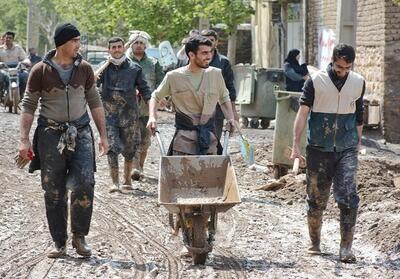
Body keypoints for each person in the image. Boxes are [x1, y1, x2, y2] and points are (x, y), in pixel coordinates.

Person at [18, 23, 108, 258]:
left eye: (79, 40)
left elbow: (95, 102)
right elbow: (28, 105)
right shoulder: (40, 70)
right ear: (62, 43)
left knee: (85, 182)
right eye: (75, 41)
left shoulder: (85, 68)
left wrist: (103, 136)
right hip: (50, 134)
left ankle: (80, 237)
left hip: (81, 132)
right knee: (53, 188)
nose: (79, 45)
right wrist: (24, 140)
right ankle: (59, 242)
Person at [290, 43, 365, 263]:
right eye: (340, 67)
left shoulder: (358, 82)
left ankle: (346, 248)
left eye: (347, 67)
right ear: (332, 61)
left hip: (347, 148)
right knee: (316, 198)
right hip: (319, 149)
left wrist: (357, 144)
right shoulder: (315, 81)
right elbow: (303, 114)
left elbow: (359, 115)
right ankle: (314, 243)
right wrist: (295, 144)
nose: (343, 72)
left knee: (349, 197)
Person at [147, 35, 235, 156]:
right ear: (191, 55)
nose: (209, 56)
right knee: (183, 173)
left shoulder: (215, 75)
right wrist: (152, 117)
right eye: (204, 53)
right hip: (184, 140)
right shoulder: (174, 77)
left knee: (210, 173)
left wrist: (230, 118)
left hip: (209, 139)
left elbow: (224, 98)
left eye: (210, 52)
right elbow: (155, 97)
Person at [97, 36, 152, 192]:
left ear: (123, 48)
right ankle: (115, 183)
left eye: (119, 47)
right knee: (112, 148)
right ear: (109, 50)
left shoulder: (134, 68)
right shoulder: (103, 68)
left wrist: (152, 111)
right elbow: (91, 87)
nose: (116, 50)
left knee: (130, 149)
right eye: (113, 47)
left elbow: (145, 90)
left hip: (129, 116)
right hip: (109, 116)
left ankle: (127, 180)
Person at [126, 31, 165, 180]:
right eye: (136, 42)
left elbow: (162, 83)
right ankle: (134, 168)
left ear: (145, 45)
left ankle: (140, 166)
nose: (139, 45)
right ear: (131, 44)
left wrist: (162, 99)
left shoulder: (153, 63)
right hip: (128, 109)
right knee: (131, 140)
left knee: (145, 141)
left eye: (142, 43)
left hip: (148, 110)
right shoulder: (124, 62)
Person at [200, 29, 238, 140]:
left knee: (214, 140)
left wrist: (233, 112)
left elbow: (229, 87)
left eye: (211, 40)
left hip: (217, 109)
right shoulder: (194, 60)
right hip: (197, 107)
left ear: (216, 42)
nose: (208, 42)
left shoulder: (223, 62)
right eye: (205, 40)